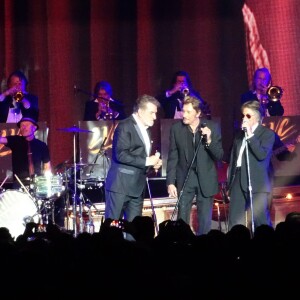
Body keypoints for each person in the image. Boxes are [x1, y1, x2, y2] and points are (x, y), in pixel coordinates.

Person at [104, 94, 162, 234]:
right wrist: (147, 161)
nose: (155, 117)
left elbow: (138, 157)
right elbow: (121, 154)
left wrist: (151, 165)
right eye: (152, 113)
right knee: (112, 228)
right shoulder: (125, 126)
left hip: (137, 186)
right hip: (121, 185)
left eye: (155, 113)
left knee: (134, 230)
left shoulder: (146, 129)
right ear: (140, 112)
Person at [166, 95, 223, 235]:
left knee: (204, 221)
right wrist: (170, 182)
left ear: (198, 113)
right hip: (185, 178)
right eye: (183, 111)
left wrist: (209, 140)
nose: (183, 115)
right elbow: (173, 157)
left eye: (188, 112)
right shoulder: (176, 129)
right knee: (182, 219)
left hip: (206, 178)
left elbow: (219, 156)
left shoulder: (211, 127)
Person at [227, 100, 275, 232]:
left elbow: (261, 155)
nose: (244, 119)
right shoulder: (238, 136)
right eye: (243, 115)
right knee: (235, 221)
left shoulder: (267, 134)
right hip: (238, 179)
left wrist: (250, 135)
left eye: (248, 116)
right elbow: (233, 161)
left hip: (256, 181)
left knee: (260, 221)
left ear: (258, 118)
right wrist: (230, 185)